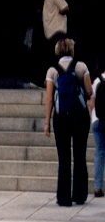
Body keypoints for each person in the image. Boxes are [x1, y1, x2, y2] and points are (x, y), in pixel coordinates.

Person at [44, 38, 93, 206]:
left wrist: (47, 122)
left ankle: (63, 197)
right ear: (72, 50)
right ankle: (79, 195)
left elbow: (50, 98)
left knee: (63, 157)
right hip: (80, 115)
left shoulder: (52, 71)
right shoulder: (81, 67)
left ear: (57, 51)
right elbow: (89, 91)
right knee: (80, 154)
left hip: (61, 117)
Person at [90, 69, 105, 198]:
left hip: (97, 120)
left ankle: (98, 187)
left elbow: (92, 103)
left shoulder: (97, 81)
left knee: (99, 152)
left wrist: (94, 117)